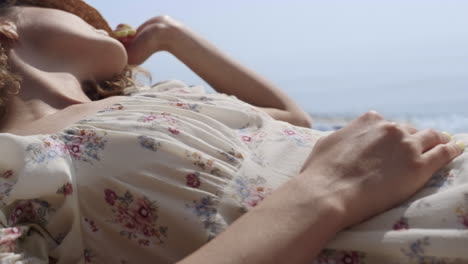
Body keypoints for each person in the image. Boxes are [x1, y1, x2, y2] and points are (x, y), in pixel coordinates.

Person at [0, 1, 466, 263]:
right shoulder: (12, 168)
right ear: (7, 27)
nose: (93, 15)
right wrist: (327, 190)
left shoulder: (158, 96)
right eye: (72, 8)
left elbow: (291, 118)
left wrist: (170, 34)